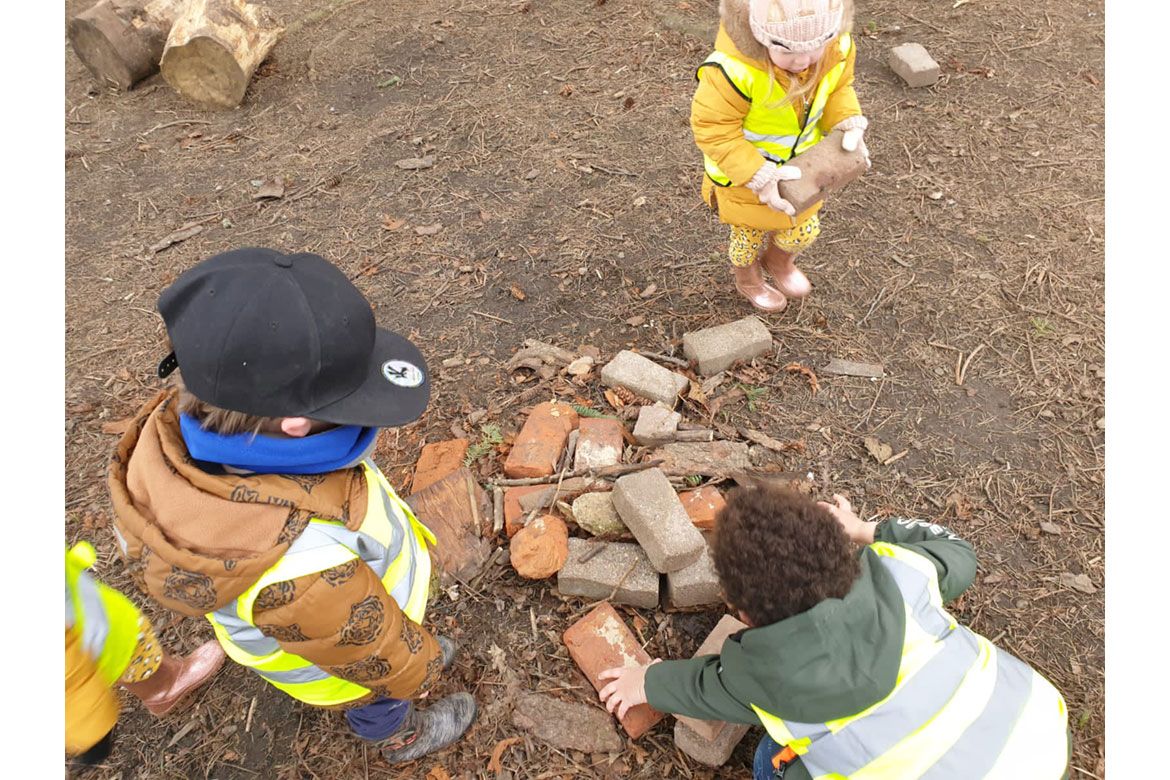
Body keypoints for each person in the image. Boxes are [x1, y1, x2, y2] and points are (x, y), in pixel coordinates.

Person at [107, 248, 476, 764]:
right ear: (297, 424)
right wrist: (421, 666)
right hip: (348, 657)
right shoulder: (301, 569)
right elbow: (371, 654)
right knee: (381, 692)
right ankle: (396, 735)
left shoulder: (176, 431)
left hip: (326, 624)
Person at [598, 485, 1071, 779]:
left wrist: (647, 683)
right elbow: (959, 552)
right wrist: (867, 529)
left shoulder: (769, 672)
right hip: (1039, 738)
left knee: (771, 762)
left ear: (744, 614)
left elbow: (706, 686)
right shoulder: (902, 570)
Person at [692, 0, 870, 312]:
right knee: (746, 239)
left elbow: (840, 87)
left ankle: (778, 261)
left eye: (815, 46)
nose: (801, 60)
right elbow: (713, 128)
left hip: (802, 174)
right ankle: (747, 278)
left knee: (803, 231)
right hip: (744, 180)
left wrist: (846, 119)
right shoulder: (733, 72)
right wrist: (758, 174)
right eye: (784, 48)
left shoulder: (837, 46)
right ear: (758, 33)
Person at [66, 541, 225, 764]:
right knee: (131, 653)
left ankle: (159, 683)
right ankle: (164, 687)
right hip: (88, 633)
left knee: (126, 649)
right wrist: (92, 733)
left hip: (83, 615)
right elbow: (70, 680)